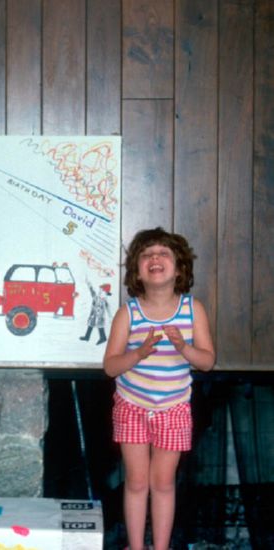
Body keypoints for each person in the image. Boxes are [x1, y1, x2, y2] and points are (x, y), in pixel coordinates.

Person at [103, 227, 215, 550]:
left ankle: (161, 547)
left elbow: (207, 361)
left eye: (163, 253)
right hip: (132, 405)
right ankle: (136, 546)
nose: (154, 258)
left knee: (163, 483)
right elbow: (110, 366)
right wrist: (137, 354)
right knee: (136, 482)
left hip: (174, 407)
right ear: (137, 270)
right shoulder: (129, 313)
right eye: (147, 254)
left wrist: (184, 347)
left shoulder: (193, 310)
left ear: (179, 268)